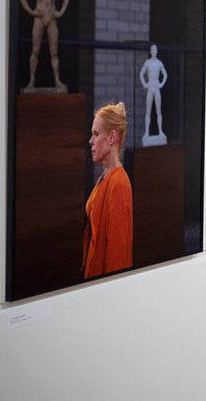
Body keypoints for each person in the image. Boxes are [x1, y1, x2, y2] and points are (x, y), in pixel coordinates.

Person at [82, 102, 133, 279]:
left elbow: (117, 254)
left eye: (96, 134)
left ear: (112, 138)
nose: (91, 141)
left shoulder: (118, 183)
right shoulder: (104, 178)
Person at [18, 0, 70, 92]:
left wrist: (60, 12)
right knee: (35, 50)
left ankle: (57, 81)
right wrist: (30, 11)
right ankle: (31, 81)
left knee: (54, 51)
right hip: (39, 17)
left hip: (51, 17)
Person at [139, 44, 168, 145]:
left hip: (156, 88)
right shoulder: (147, 63)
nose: (154, 51)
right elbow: (141, 73)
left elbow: (165, 74)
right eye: (152, 50)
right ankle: (146, 132)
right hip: (150, 88)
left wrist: (161, 84)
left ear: (157, 51)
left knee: (158, 111)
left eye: (155, 50)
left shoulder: (159, 63)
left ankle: (160, 131)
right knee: (148, 111)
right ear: (151, 51)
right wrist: (144, 84)